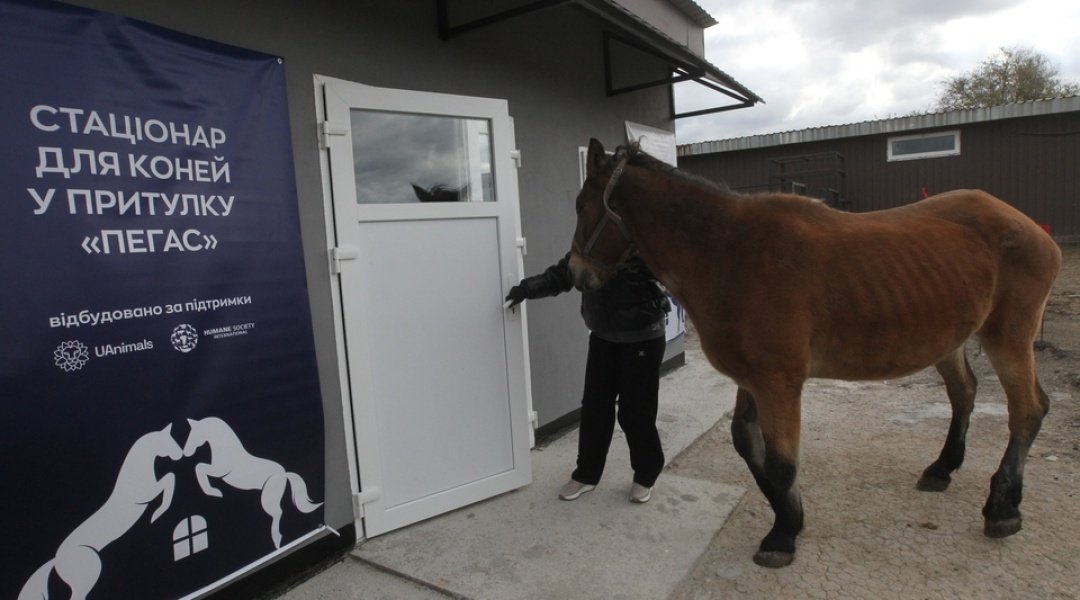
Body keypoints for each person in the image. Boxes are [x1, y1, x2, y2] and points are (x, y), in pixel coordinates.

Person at [505, 253, 670, 503]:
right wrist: (527, 288)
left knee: (635, 412)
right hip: (603, 335)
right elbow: (565, 273)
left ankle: (646, 474)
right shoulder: (592, 239)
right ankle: (586, 474)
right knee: (594, 408)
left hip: (643, 336)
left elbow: (673, 270)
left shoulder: (639, 236)